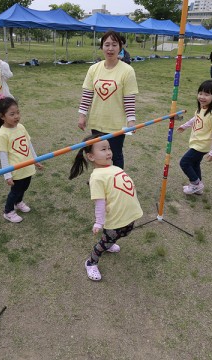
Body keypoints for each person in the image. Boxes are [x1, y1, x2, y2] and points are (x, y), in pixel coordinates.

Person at [69, 134, 143, 281]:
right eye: (103, 149)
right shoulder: (96, 177)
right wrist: (99, 222)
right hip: (115, 218)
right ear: (91, 156)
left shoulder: (113, 167)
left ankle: (110, 244)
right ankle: (91, 262)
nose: (108, 152)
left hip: (128, 213)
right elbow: (100, 202)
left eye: (109, 148)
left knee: (126, 231)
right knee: (104, 242)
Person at [78, 31, 138, 170]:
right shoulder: (93, 69)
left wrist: (131, 120)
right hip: (97, 122)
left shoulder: (127, 70)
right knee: (98, 154)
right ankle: (100, 178)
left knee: (115, 155)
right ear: (102, 47)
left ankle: (118, 181)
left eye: (114, 45)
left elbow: (129, 99)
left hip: (116, 124)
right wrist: (82, 115)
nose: (110, 48)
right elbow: (87, 94)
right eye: (107, 44)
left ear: (120, 47)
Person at [0, 95, 43, 223]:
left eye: (18, 112)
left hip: (28, 166)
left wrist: (35, 159)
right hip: (16, 170)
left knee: (24, 187)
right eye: (12, 114)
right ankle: (8, 211)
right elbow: (3, 156)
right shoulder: (2, 134)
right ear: (2, 116)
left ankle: (18, 202)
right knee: (15, 191)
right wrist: (7, 175)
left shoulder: (21, 127)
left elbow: (29, 144)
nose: (16, 116)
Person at [177, 80, 212, 195]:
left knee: (184, 162)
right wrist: (184, 126)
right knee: (195, 164)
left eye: (207, 94)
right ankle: (198, 188)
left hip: (202, 145)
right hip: (197, 142)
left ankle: (196, 184)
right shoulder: (202, 108)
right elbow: (195, 119)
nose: (202, 97)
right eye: (200, 93)